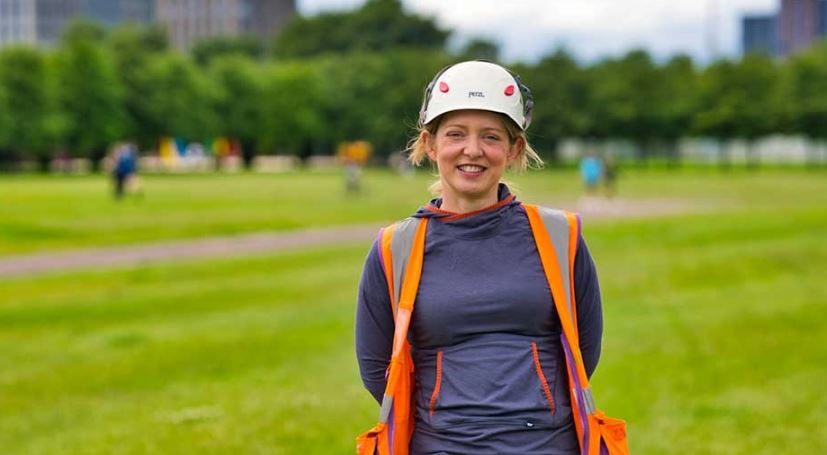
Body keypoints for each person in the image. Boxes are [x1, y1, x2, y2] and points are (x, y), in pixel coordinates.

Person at [355, 61, 604, 454]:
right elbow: (376, 369)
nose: (472, 150)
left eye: (490, 136)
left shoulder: (560, 236)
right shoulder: (396, 247)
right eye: (456, 134)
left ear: (514, 148)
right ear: (431, 144)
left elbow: (584, 351)